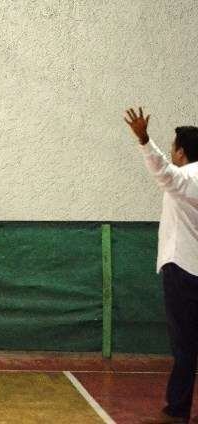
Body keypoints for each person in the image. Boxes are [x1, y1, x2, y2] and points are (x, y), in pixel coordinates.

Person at [125, 108, 198, 424]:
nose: (171, 152)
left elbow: (164, 172)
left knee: (184, 345)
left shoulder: (187, 178)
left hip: (184, 269)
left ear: (181, 151)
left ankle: (177, 410)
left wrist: (144, 140)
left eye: (173, 146)